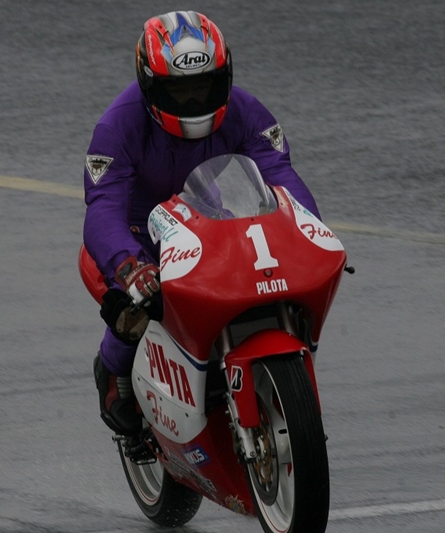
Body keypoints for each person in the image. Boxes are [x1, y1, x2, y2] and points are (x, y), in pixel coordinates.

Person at [82, 10, 321, 435]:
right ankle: (113, 371)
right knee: (137, 309)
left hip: (212, 220)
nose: (194, 100)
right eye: (180, 90)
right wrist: (128, 265)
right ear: (150, 86)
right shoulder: (117, 127)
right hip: (139, 238)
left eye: (204, 86)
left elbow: (281, 175)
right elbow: (103, 206)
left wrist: (309, 230)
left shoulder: (247, 112)